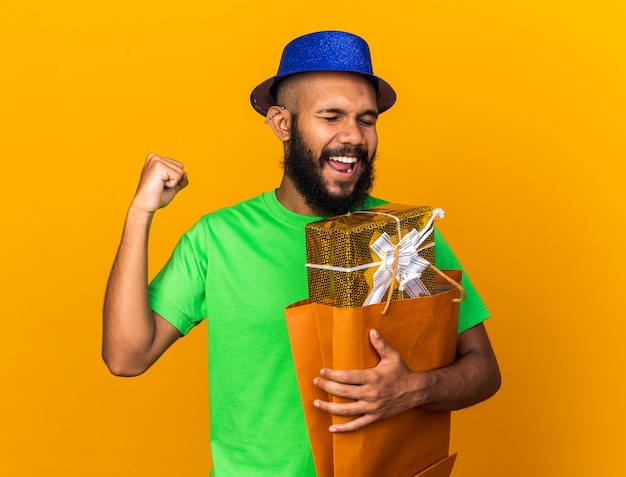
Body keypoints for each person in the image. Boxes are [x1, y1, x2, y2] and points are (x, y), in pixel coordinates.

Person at [103, 30, 501, 476]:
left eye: (366, 120)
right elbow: (126, 357)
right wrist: (140, 213)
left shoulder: (405, 236)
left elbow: (484, 370)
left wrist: (414, 389)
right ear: (283, 123)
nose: (353, 136)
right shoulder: (219, 238)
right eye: (331, 116)